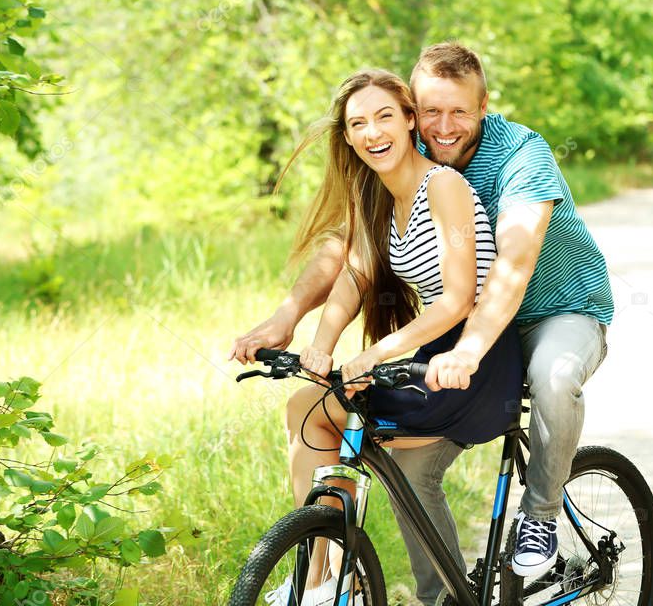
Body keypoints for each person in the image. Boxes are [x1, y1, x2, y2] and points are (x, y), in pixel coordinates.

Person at [231, 43, 612, 603]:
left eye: (458, 111)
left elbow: (513, 260)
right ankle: (333, 577)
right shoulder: (391, 180)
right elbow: (349, 260)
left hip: (550, 309)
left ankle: (542, 515)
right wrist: (296, 324)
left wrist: (456, 347)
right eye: (431, 110)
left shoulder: (515, 159)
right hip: (459, 335)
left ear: (484, 106)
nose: (443, 125)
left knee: (555, 378)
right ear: (416, 111)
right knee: (357, 440)